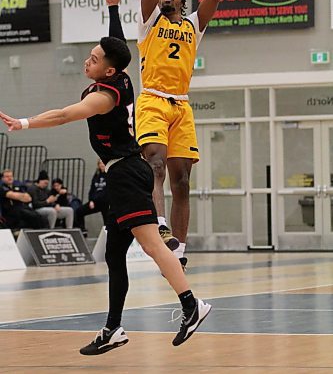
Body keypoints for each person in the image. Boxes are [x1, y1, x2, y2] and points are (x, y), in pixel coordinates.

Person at [0, 19, 211, 353]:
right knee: (114, 255)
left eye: (95, 59)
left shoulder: (104, 97)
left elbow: (63, 116)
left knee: (154, 245)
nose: (88, 61)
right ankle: (113, 328)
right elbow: (116, 43)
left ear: (110, 72)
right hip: (122, 174)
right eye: (90, 55)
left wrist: (24, 122)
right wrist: (113, 6)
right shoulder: (121, 75)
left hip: (127, 172)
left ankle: (191, 305)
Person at [136, 0, 223, 268]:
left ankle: (179, 250)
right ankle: (160, 226)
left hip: (181, 105)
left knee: (182, 182)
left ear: (184, 2)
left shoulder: (192, 27)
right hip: (153, 100)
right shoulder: (149, 21)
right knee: (155, 165)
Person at [75, 159, 109, 235]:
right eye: (100, 163)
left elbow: (109, 190)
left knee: (108, 221)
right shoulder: (96, 175)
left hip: (106, 202)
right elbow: (92, 189)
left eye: (103, 163)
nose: (102, 165)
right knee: (79, 211)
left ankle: (108, 234)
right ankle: (83, 231)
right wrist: (91, 200)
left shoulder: (110, 173)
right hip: (95, 202)